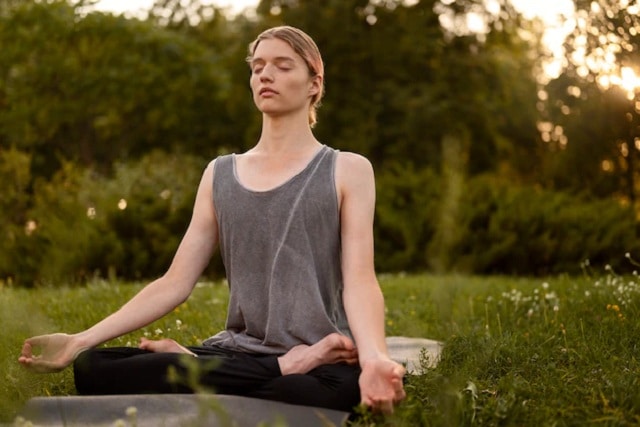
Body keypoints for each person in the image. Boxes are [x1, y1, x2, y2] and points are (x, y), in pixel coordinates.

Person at [19, 25, 406, 414]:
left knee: (311, 395)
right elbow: (175, 282)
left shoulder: (347, 170)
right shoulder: (220, 173)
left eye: (282, 66)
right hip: (239, 353)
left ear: (314, 83)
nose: (265, 75)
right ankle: (271, 367)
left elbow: (360, 281)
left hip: (325, 360)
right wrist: (79, 340)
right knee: (94, 367)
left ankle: (206, 369)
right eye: (257, 67)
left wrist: (374, 359)